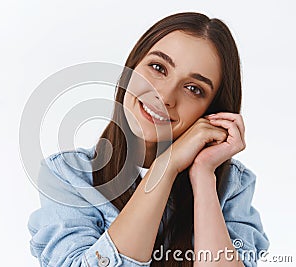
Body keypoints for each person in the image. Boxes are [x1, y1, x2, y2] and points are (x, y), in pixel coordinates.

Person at [28, 12, 269, 267]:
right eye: (158, 68)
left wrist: (203, 176)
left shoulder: (231, 186)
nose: (165, 96)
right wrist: (167, 167)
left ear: (212, 112)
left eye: (194, 89)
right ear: (131, 68)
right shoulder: (68, 175)